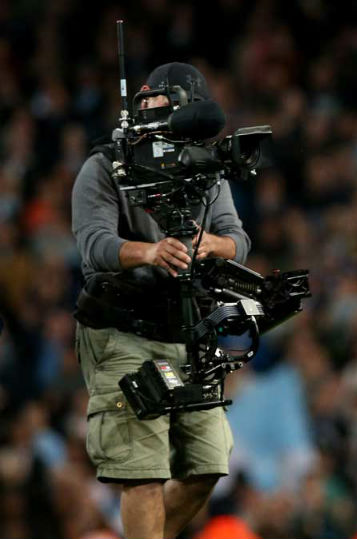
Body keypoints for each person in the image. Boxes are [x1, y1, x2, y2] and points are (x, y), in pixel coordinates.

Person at [71, 62, 250, 539]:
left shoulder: (206, 167)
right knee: (143, 473)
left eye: (163, 103)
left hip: (188, 330)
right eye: (146, 102)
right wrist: (150, 251)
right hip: (122, 330)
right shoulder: (106, 165)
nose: (151, 110)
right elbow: (93, 247)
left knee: (208, 465)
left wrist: (212, 244)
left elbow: (238, 239)